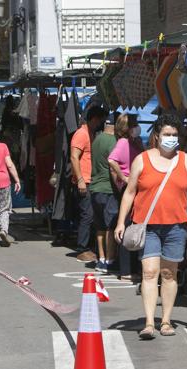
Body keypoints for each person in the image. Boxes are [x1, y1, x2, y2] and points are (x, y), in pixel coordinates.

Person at [114, 114, 187, 340]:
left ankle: (165, 321)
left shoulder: (186, 161)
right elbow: (130, 192)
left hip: (176, 226)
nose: (171, 138)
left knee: (168, 273)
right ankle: (148, 322)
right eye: (167, 134)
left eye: (175, 135)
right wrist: (120, 221)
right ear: (157, 135)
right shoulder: (142, 160)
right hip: (148, 227)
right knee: (149, 272)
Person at [70, 106, 108, 262]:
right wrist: (79, 180)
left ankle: (87, 246)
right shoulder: (82, 134)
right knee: (87, 215)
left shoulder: (90, 134)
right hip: (83, 180)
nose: (102, 123)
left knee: (90, 215)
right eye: (101, 120)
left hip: (89, 180)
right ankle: (82, 248)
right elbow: (74, 157)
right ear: (95, 119)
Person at [108, 113, 143, 280]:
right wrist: (123, 177)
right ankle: (126, 270)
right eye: (133, 123)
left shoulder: (133, 142)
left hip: (136, 187)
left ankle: (132, 269)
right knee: (128, 228)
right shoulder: (122, 143)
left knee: (133, 228)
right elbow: (112, 160)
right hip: (129, 188)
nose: (136, 126)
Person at [90, 120, 118, 273]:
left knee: (99, 226)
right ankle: (110, 259)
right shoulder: (114, 141)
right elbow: (114, 165)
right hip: (108, 188)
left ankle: (101, 258)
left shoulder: (97, 139)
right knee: (110, 226)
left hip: (95, 187)